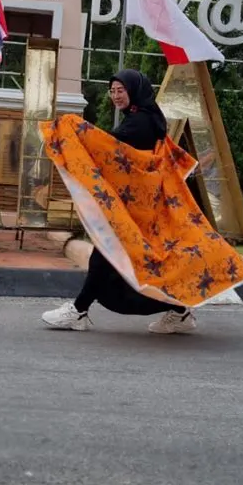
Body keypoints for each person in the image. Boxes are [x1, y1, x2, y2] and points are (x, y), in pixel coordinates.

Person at [42, 70, 197, 335]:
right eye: (112, 91)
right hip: (137, 207)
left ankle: (78, 311)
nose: (115, 96)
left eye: (120, 90)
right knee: (113, 259)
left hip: (134, 209)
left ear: (134, 90)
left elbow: (106, 148)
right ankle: (180, 311)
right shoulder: (146, 118)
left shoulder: (141, 123)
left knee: (106, 256)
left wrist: (72, 130)